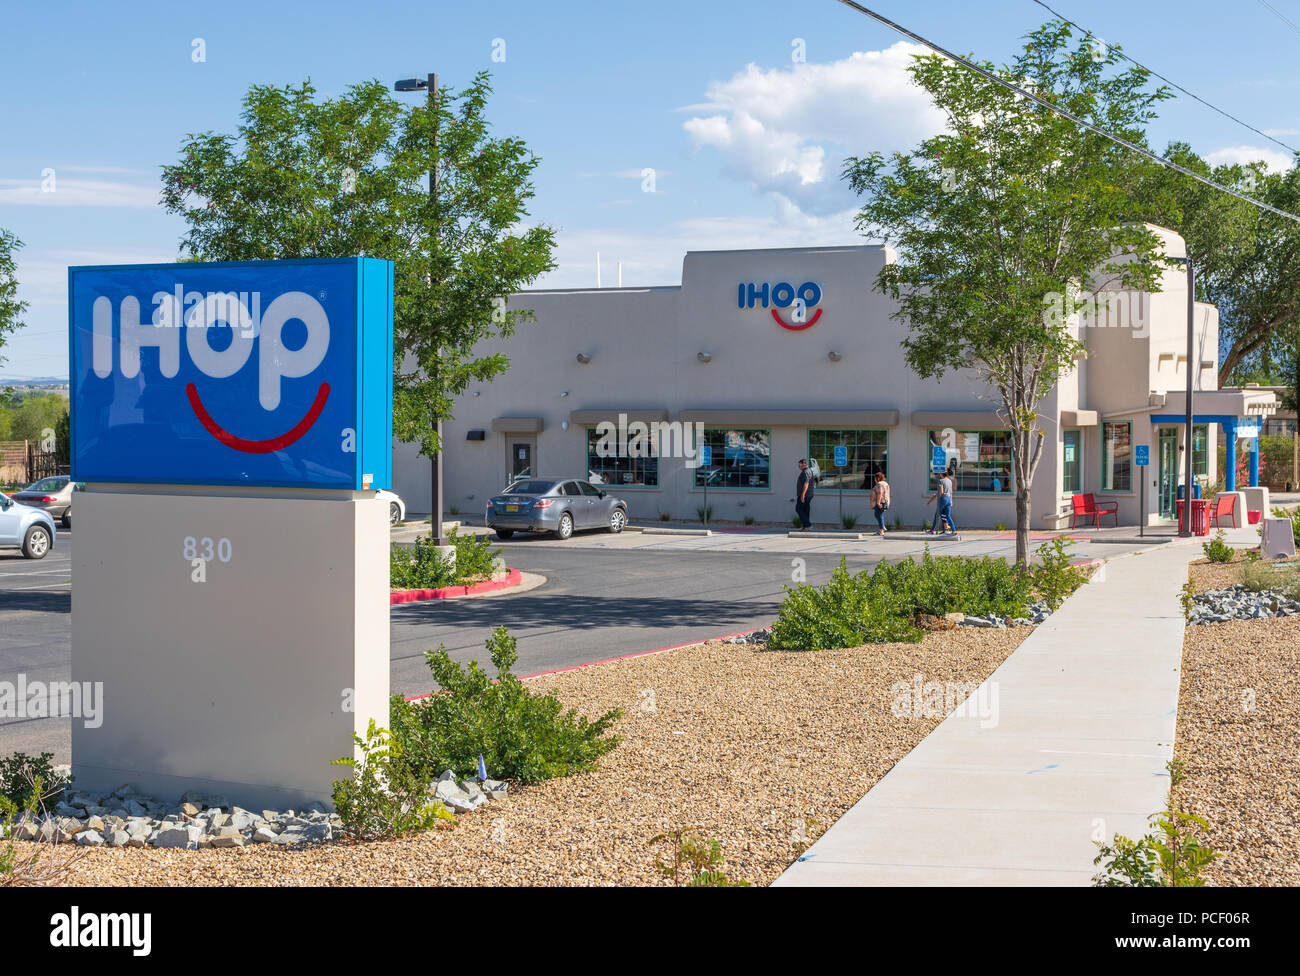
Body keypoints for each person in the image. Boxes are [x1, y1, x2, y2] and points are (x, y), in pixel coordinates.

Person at [927, 467, 957, 535]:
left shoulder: (941, 481)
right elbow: (951, 492)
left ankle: (932, 531)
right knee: (948, 516)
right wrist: (951, 501)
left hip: (943, 499)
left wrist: (934, 496)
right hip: (949, 499)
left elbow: (941, 492)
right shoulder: (949, 481)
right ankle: (954, 530)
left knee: (937, 515)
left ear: (941, 473)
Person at [795, 458, 815, 530]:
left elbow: (806, 483)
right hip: (809, 494)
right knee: (805, 510)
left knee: (798, 509)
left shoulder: (806, 472)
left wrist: (803, 494)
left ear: (804, 464)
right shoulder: (809, 471)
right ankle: (805, 526)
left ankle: (808, 524)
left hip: (805, 495)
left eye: (799, 464)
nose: (799, 466)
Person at [870, 471, 890, 536]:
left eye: (875, 478)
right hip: (886, 501)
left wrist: (878, 502)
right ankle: (882, 527)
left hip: (881, 501)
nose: (874, 479)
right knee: (878, 514)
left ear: (877, 478)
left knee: (879, 514)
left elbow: (879, 493)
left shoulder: (879, 484)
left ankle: (881, 530)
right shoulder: (886, 483)